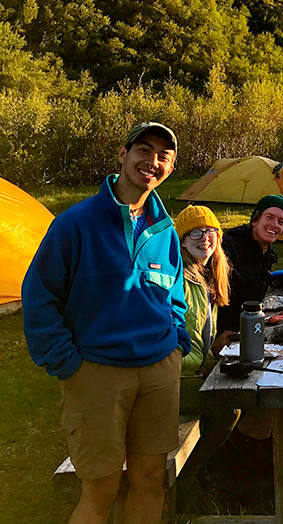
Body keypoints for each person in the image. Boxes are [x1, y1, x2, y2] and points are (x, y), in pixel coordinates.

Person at [22, 122, 190, 524]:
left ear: (171, 166)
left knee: (151, 479)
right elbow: (39, 296)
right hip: (96, 374)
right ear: (122, 153)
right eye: (143, 150)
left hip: (157, 372)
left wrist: (177, 341)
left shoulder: (164, 229)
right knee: (101, 487)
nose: (151, 162)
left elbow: (175, 295)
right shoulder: (75, 224)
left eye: (162, 156)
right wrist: (67, 364)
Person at [174, 206, 240, 473]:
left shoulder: (206, 273)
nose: (205, 238)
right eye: (195, 233)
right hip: (171, 381)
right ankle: (195, 473)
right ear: (181, 240)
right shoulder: (177, 276)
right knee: (229, 408)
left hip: (193, 370)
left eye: (211, 231)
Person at [217, 194, 283, 333]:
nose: (274, 224)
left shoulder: (266, 252)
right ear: (255, 220)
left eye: (281, 222)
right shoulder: (229, 248)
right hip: (225, 331)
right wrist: (221, 332)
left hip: (249, 325)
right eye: (269, 217)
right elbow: (214, 295)